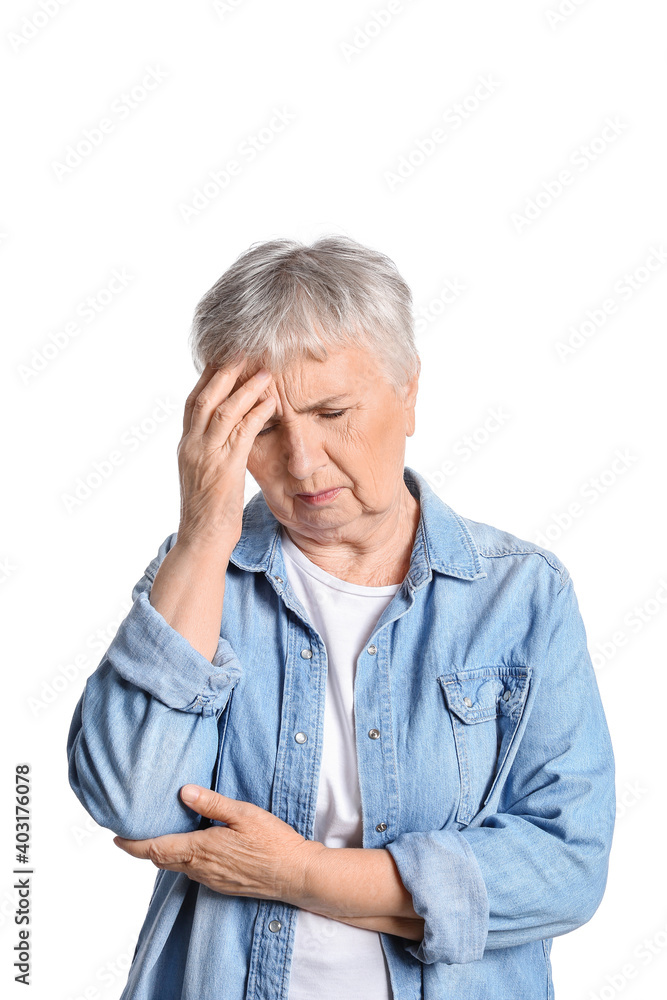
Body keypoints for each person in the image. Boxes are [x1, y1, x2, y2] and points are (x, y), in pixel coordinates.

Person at [66, 235, 615, 1000]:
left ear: (409, 394)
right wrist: (201, 534)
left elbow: (565, 867)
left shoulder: (519, 594)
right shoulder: (197, 575)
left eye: (332, 412)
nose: (302, 462)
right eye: (261, 428)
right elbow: (130, 800)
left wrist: (300, 874)